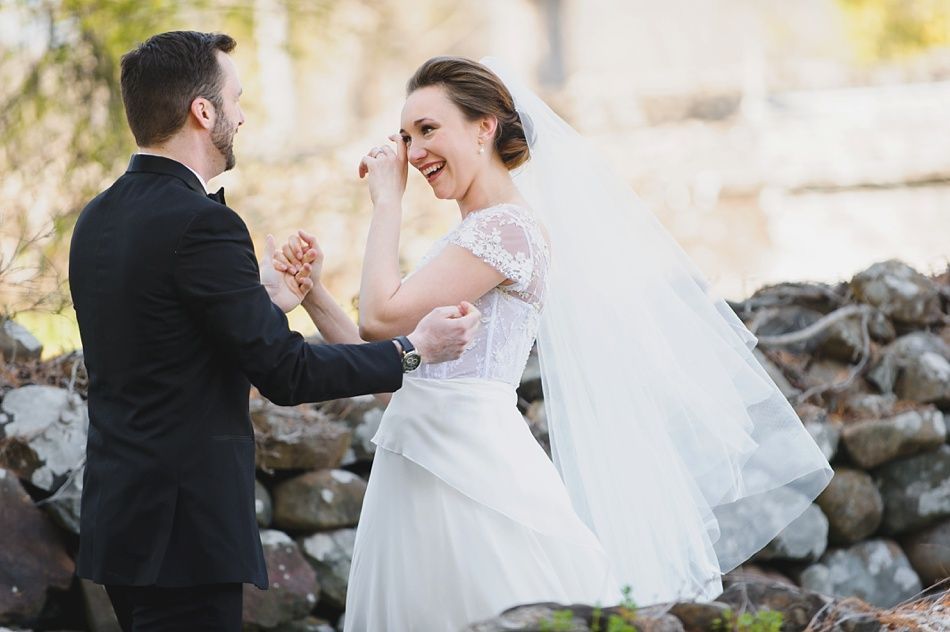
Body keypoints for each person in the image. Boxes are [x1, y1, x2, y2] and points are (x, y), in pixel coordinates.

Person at [276, 57, 833, 629]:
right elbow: (395, 370)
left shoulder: (506, 230)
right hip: (415, 464)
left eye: (427, 130)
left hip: (473, 472)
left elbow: (380, 318)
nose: (412, 153)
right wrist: (315, 292)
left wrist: (387, 202)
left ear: (484, 126)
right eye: (405, 136)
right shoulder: (464, 238)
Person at [68, 32, 479, 632]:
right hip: (185, 537)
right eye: (235, 99)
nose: (242, 113)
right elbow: (287, 373)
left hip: (120, 525)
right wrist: (414, 349)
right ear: (202, 112)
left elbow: (163, 339)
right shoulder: (204, 225)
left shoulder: (96, 218)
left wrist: (269, 302)